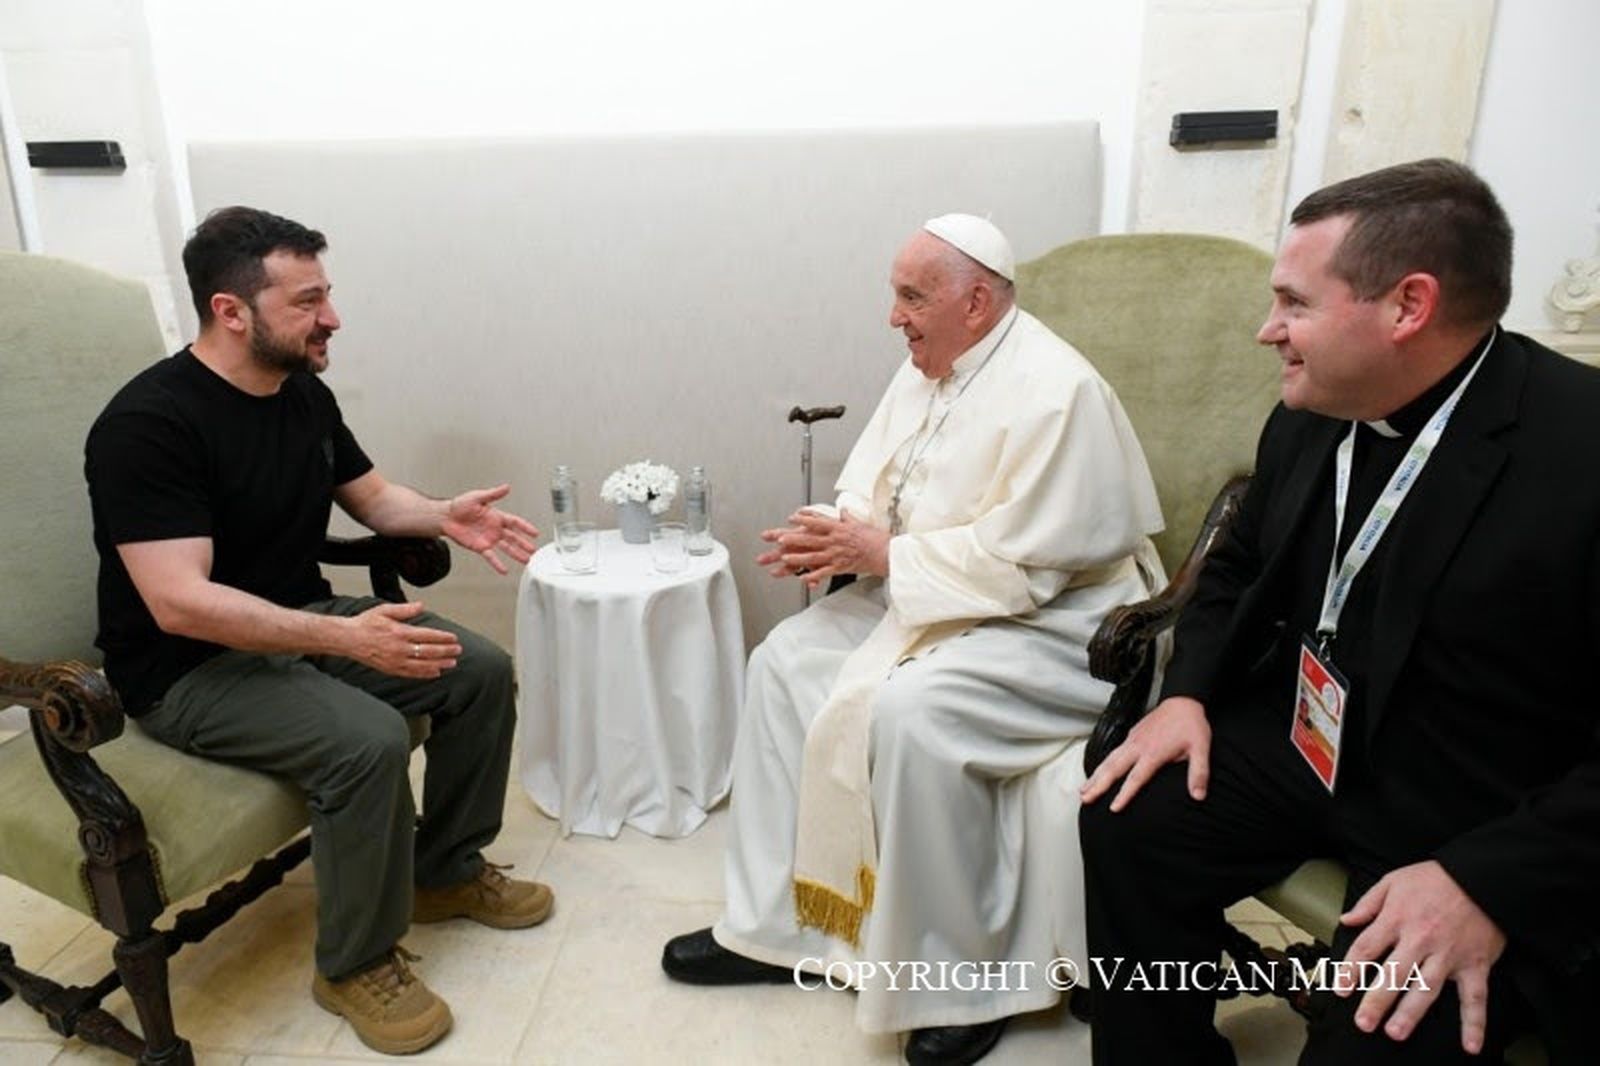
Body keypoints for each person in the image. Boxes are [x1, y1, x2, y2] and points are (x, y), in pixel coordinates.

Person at [1079, 158, 1600, 1065]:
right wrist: (1186, 694)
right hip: (1314, 743)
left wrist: (1488, 883)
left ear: (1408, 307)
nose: (1265, 331)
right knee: (1132, 815)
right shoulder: (1315, 406)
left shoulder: (1582, 449)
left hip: (1486, 811)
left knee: (1377, 1036)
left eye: (1294, 303)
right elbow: (1237, 563)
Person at [662, 214, 1165, 1065]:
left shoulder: (1057, 391)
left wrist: (884, 555)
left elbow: (1032, 567)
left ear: (975, 301)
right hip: (937, 590)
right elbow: (879, 483)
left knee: (912, 709)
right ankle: (777, 928)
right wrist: (835, 531)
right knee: (783, 661)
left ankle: (960, 985)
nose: (894, 317)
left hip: (1059, 621)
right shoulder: (931, 367)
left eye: (910, 296)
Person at [84, 206, 553, 1056]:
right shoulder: (147, 427)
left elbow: (372, 500)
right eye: (307, 301)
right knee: (366, 739)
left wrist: (444, 515)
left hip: (296, 623)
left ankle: (443, 870)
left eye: (326, 295)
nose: (331, 317)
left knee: (478, 669)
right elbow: (179, 604)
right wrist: (347, 639)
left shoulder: (301, 392)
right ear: (232, 312)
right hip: (186, 669)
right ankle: (353, 963)